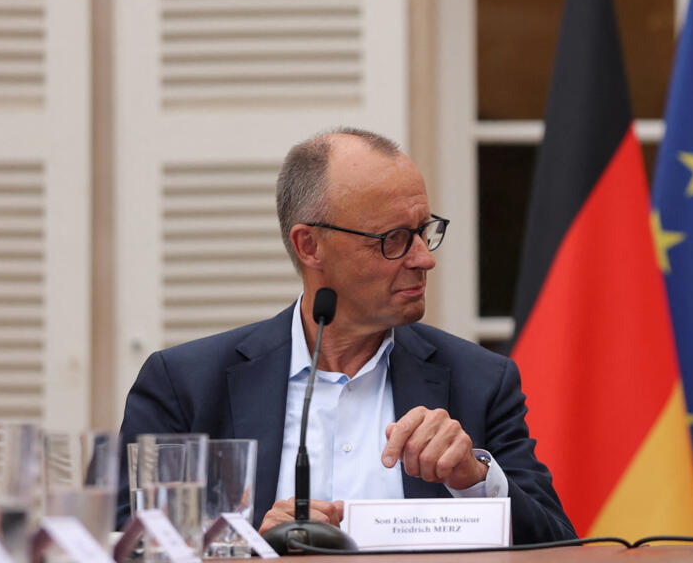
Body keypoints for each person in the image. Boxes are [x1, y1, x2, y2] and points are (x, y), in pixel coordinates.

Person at [117, 128, 576, 544]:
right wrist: (246, 548)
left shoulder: (480, 382)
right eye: (393, 239)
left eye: (423, 231)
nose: (423, 258)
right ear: (309, 246)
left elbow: (558, 546)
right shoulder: (187, 386)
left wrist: (473, 479)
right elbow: (127, 545)